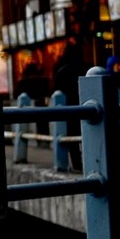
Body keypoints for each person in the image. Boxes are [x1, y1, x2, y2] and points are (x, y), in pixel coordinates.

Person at [52, 43, 84, 172]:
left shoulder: (61, 70)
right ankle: (90, 161)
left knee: (72, 137)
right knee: (88, 134)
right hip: (84, 105)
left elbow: (56, 90)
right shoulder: (84, 68)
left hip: (68, 107)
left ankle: (76, 163)